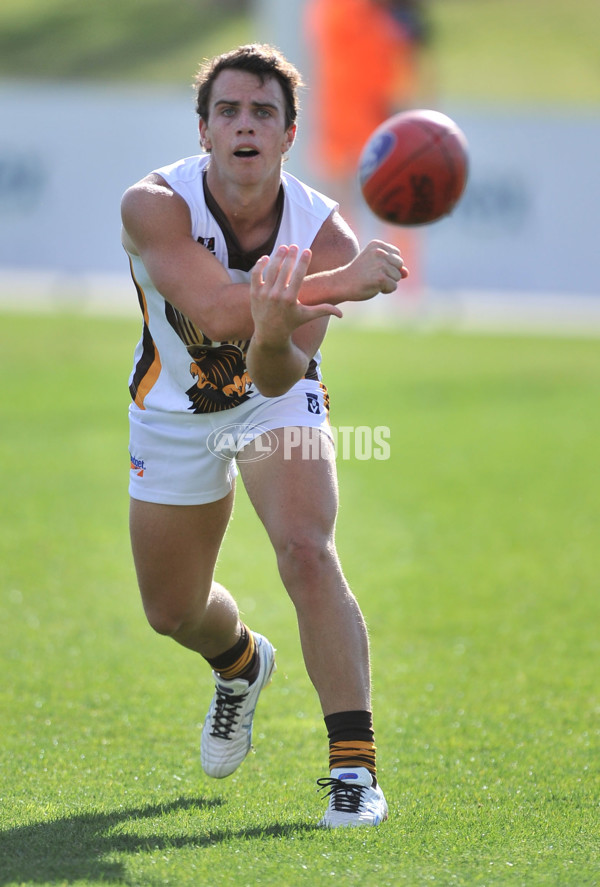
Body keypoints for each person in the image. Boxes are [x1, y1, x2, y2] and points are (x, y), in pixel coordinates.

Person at [120, 43, 408, 828]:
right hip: (174, 411)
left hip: (267, 400)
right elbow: (214, 312)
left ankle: (354, 771)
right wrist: (339, 288)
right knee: (171, 610)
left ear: (288, 135)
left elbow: (276, 376)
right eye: (228, 111)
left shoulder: (326, 231)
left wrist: (280, 321)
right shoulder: (153, 204)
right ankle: (242, 662)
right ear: (204, 130)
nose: (245, 125)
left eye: (263, 113)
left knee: (308, 552)